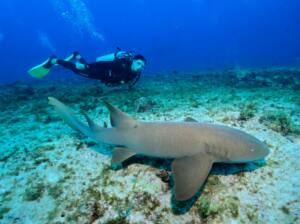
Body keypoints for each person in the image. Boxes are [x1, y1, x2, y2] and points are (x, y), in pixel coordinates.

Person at [28, 48, 146, 88]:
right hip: (99, 71)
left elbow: (125, 81)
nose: (140, 67)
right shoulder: (122, 64)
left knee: (82, 69)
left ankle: (77, 55)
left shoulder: (135, 73)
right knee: (77, 69)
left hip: (101, 76)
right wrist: (88, 65)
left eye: (142, 66)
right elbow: (103, 63)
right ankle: (53, 60)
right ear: (134, 61)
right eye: (139, 64)